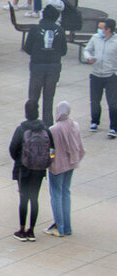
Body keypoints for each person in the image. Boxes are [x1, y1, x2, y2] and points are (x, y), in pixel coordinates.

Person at [9, 100, 54, 241]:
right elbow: (52, 149)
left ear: (26, 112)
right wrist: (47, 161)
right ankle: (31, 230)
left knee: (24, 198)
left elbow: (12, 149)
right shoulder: (45, 129)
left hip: (24, 169)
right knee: (35, 199)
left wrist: (19, 159)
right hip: (39, 169)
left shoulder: (21, 129)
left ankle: (21, 229)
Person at [46, 101, 85, 237]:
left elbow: (51, 150)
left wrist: (50, 163)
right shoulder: (75, 125)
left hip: (58, 166)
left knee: (56, 194)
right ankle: (67, 226)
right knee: (66, 193)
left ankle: (59, 226)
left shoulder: (53, 129)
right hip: (71, 163)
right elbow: (80, 145)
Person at [25, 6, 68, 126]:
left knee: (33, 97)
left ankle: (31, 122)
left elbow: (27, 48)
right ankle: (47, 125)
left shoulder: (35, 29)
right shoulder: (60, 30)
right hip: (53, 69)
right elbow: (64, 51)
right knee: (48, 99)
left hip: (37, 67)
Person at [83, 18, 117, 137]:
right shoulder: (95, 38)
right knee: (95, 101)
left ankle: (114, 127)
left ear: (108, 29)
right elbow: (87, 50)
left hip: (110, 75)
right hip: (96, 74)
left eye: (101, 28)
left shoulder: (115, 41)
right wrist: (89, 58)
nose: (99, 30)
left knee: (112, 103)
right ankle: (95, 121)